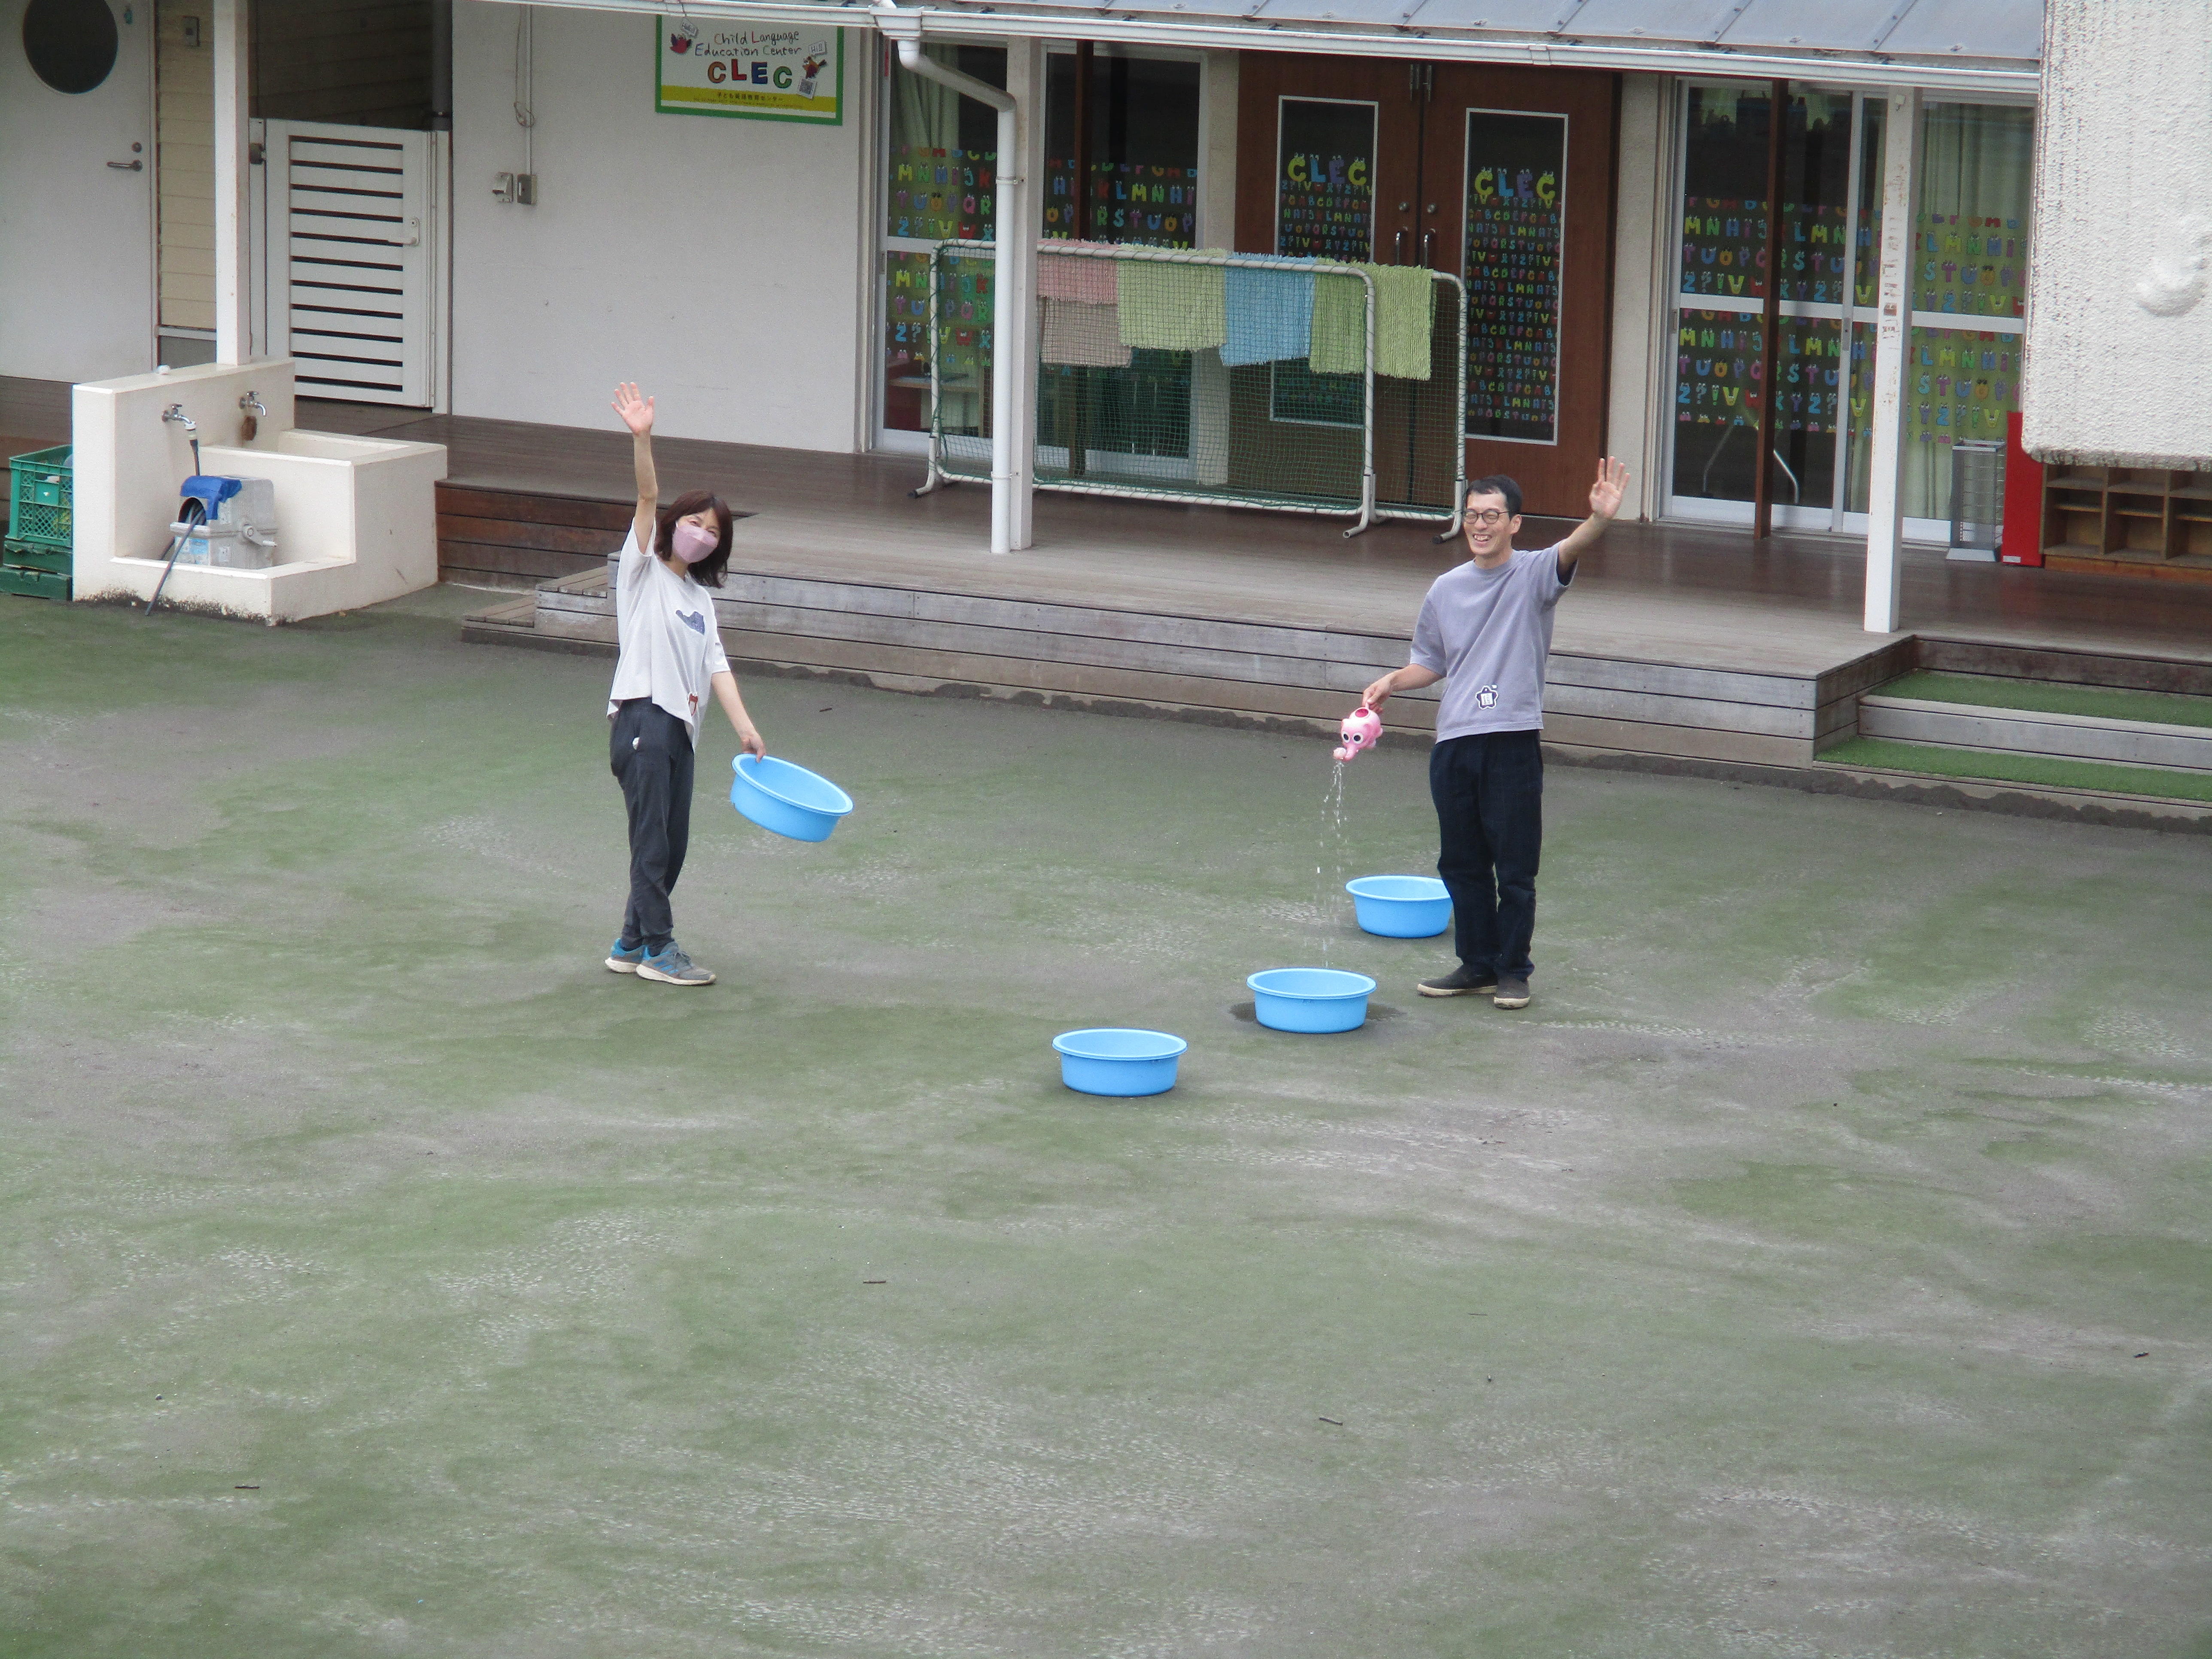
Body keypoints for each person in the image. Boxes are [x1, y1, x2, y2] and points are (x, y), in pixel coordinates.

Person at [1361, 460, 1629, 1010]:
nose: (1479, 526)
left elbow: (1573, 546)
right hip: (1455, 743)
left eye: (1491, 516)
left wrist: (1599, 519)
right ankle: (1477, 964)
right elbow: (1431, 661)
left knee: (1515, 868)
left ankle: (1513, 971)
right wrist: (1392, 680)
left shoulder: (1533, 575)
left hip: (1511, 739)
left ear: (1515, 523)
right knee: (1460, 863)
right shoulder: (1445, 588)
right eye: (1471, 516)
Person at [602, 382, 767, 987]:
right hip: (643, 720)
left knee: (672, 847)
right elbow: (647, 494)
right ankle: (660, 950)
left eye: (714, 531)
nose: (702, 533)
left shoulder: (700, 599)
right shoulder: (642, 571)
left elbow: (716, 664)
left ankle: (629, 941)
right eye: (694, 522)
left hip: (682, 731)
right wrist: (642, 438)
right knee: (651, 844)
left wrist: (745, 727)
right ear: (674, 525)